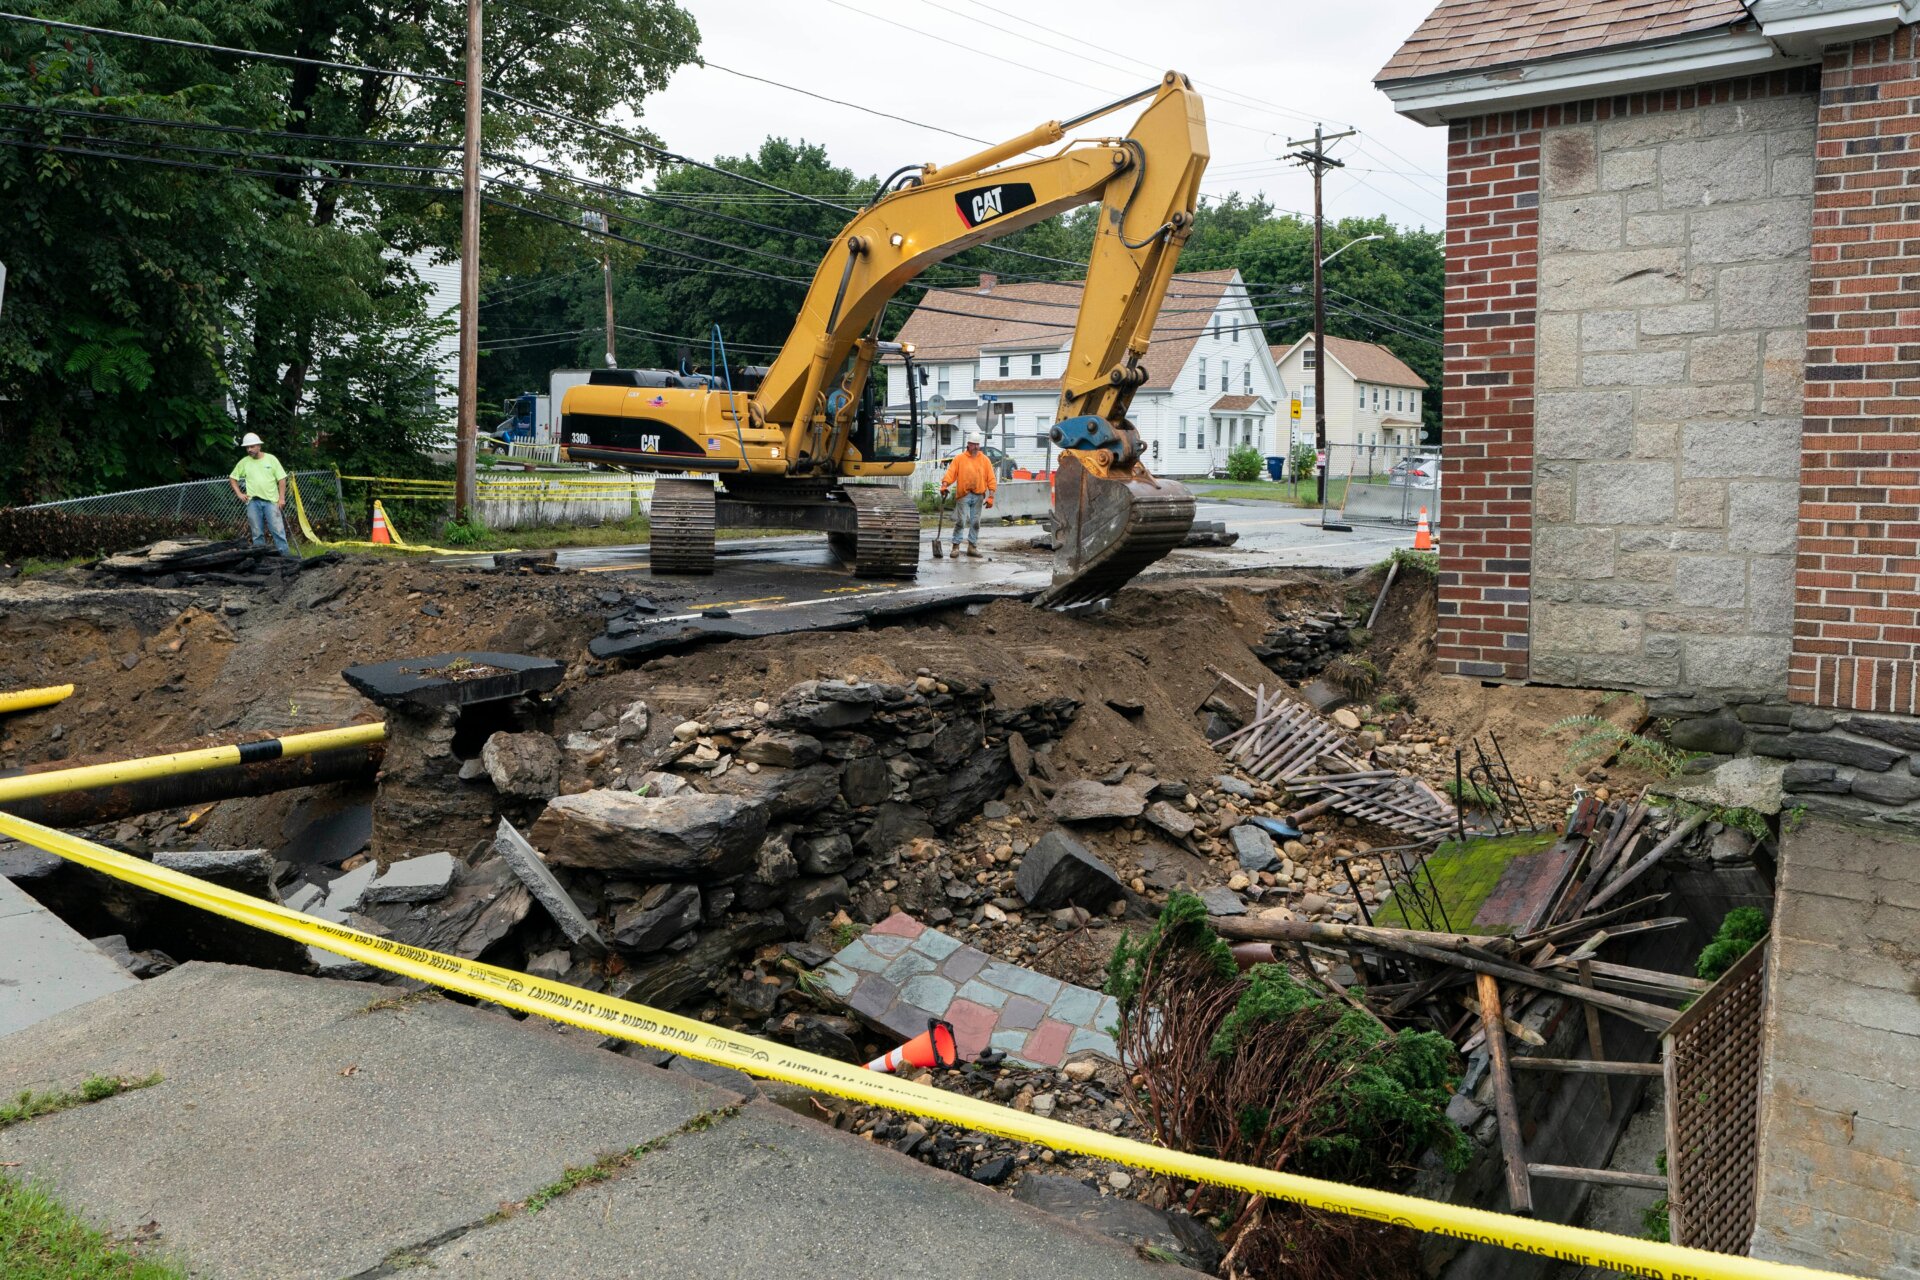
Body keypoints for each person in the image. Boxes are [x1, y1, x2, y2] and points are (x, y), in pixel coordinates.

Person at [228, 432, 291, 556]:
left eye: (252, 446)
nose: (249, 450)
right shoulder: (244, 462)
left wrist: (282, 498)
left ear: (259, 446)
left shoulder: (271, 459)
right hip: (253, 502)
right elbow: (232, 478)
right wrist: (239, 494)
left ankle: (285, 559)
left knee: (278, 532)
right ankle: (261, 560)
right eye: (247, 447)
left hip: (272, 502)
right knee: (257, 534)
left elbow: (282, 479)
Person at [938, 430, 996, 557]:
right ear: (968, 444)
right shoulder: (960, 459)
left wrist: (991, 496)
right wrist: (944, 485)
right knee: (961, 521)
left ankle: (972, 546)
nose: (975, 447)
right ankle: (956, 546)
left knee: (976, 522)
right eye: (973, 444)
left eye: (977, 445)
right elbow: (951, 473)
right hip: (963, 495)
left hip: (978, 495)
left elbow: (991, 478)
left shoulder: (985, 460)